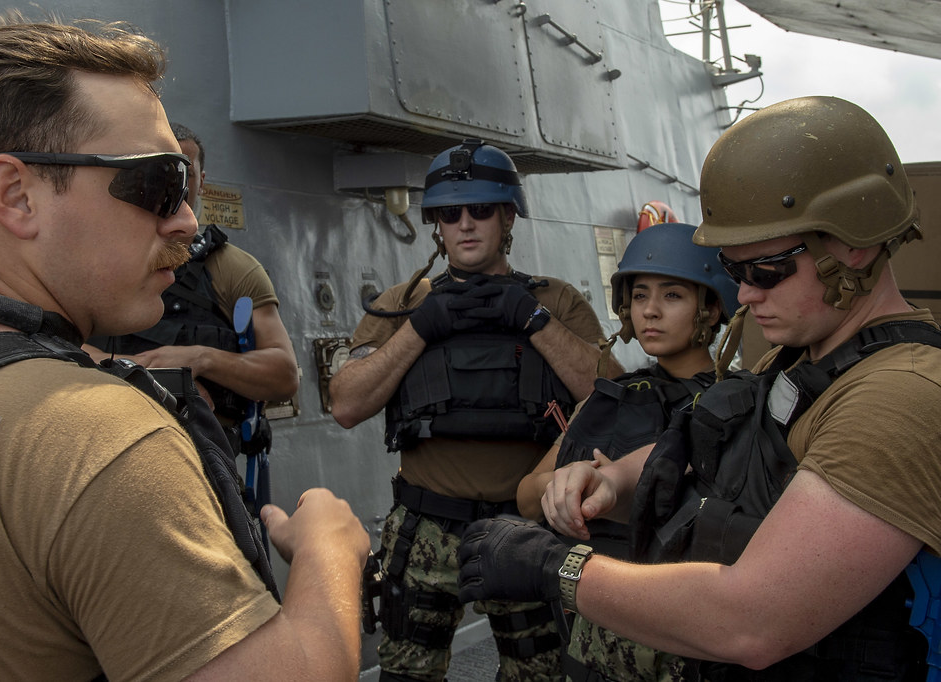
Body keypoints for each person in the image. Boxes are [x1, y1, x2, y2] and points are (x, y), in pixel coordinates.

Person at [0, 15, 368, 680]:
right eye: (157, 184)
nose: (186, 218)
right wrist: (329, 550)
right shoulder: (95, 433)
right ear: (15, 196)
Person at [457, 95, 941, 680]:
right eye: (736, 273)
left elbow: (753, 619)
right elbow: (724, 447)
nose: (745, 295)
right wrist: (611, 479)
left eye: (765, 271)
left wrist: (556, 567)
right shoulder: (804, 362)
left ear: (853, 245)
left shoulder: (896, 400)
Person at [329, 139, 612, 681]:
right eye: (450, 213)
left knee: (541, 673)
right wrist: (420, 326)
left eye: (481, 210)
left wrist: (531, 320)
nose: (465, 224)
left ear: (508, 216)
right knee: (407, 673)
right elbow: (345, 403)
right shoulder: (402, 305)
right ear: (435, 224)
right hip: (425, 525)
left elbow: (609, 396)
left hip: (525, 528)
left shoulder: (554, 301)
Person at [515, 221, 739, 681]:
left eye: (672, 296)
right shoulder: (609, 397)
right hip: (594, 632)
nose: (651, 311)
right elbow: (525, 494)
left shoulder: (737, 403)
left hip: (685, 636)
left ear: (712, 308)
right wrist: (574, 481)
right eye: (640, 296)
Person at [84, 122, 298, 466]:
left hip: (204, 461)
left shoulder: (232, 269)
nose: (176, 186)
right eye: (162, 173)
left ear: (203, 178)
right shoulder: (102, 264)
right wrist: (136, 372)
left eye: (186, 173)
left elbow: (284, 375)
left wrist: (201, 359)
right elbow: (44, 342)